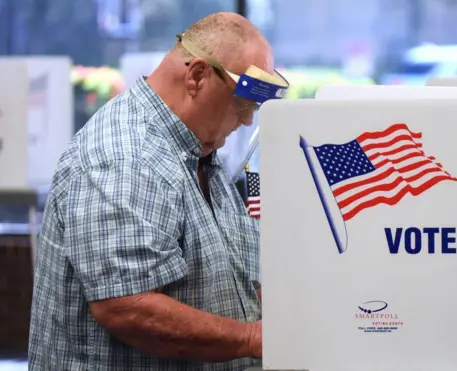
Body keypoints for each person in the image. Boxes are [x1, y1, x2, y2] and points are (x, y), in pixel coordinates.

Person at [28, 12, 288, 370]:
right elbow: (125, 306)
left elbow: (235, 273)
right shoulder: (125, 155)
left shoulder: (198, 149)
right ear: (197, 76)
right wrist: (250, 339)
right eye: (243, 100)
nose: (246, 119)